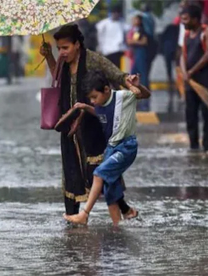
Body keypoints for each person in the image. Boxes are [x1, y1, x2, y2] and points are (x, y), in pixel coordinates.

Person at [39, 24, 138, 221]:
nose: (62, 52)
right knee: (71, 171)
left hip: (93, 124)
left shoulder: (92, 59)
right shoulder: (62, 62)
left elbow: (115, 74)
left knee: (101, 169)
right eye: (59, 48)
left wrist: (129, 80)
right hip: (69, 124)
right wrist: (50, 56)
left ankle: (123, 210)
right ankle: (72, 217)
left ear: (77, 44)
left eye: (65, 48)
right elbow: (57, 78)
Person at [63, 71, 151, 226]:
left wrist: (137, 86)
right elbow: (99, 114)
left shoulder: (123, 97)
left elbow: (145, 94)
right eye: (90, 98)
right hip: (111, 147)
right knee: (109, 189)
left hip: (126, 147)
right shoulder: (99, 104)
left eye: (94, 97)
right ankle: (118, 225)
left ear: (106, 90)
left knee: (99, 173)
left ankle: (84, 214)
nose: (93, 101)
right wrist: (85, 107)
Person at [180, 5, 208, 153]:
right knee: (190, 113)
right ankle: (193, 146)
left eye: (185, 19)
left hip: (205, 78)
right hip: (190, 81)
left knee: (206, 113)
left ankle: (206, 146)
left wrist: (191, 71)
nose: (183, 22)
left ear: (195, 19)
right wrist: (185, 71)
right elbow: (182, 55)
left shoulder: (207, 32)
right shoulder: (186, 35)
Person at [127, 14, 150, 111]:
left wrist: (133, 42)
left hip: (141, 53)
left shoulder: (142, 30)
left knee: (142, 74)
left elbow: (144, 42)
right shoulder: (134, 30)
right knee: (133, 72)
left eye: (135, 19)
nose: (133, 21)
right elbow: (129, 41)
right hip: (136, 54)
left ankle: (144, 92)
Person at [96, 5, 128, 69]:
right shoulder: (104, 23)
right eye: (114, 12)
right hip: (107, 50)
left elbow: (128, 31)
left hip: (118, 50)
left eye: (117, 12)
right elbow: (99, 35)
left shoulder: (122, 23)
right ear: (111, 13)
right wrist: (100, 47)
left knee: (117, 68)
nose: (116, 14)